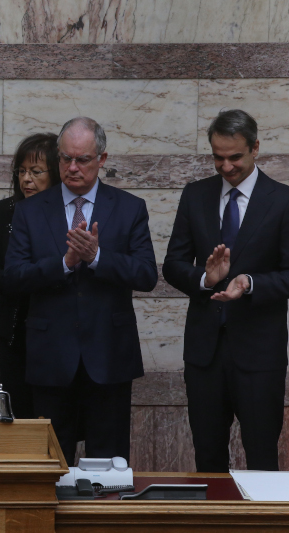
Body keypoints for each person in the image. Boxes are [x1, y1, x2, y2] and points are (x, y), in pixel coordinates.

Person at [4, 117, 157, 464]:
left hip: (109, 355)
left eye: (83, 159)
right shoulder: (29, 212)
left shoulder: (130, 208)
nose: (72, 168)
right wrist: (65, 263)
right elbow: (13, 276)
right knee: (51, 465)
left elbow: (146, 274)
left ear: (101, 159)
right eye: (65, 158)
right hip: (51, 357)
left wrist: (97, 257)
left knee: (110, 464)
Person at [163, 110, 289, 472]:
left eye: (235, 157)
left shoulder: (281, 201)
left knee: (262, 456)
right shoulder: (195, 195)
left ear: (255, 149)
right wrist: (205, 279)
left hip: (258, 355)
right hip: (204, 354)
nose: (226, 166)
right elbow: (173, 264)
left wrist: (249, 283)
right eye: (218, 157)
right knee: (208, 458)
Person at [0, 133, 59, 419]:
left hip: (56, 332)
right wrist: (27, 278)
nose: (27, 179)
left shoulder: (66, 214)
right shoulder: (3, 212)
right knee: (20, 415)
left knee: (54, 419)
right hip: (15, 330)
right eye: (22, 171)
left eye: (36, 172)